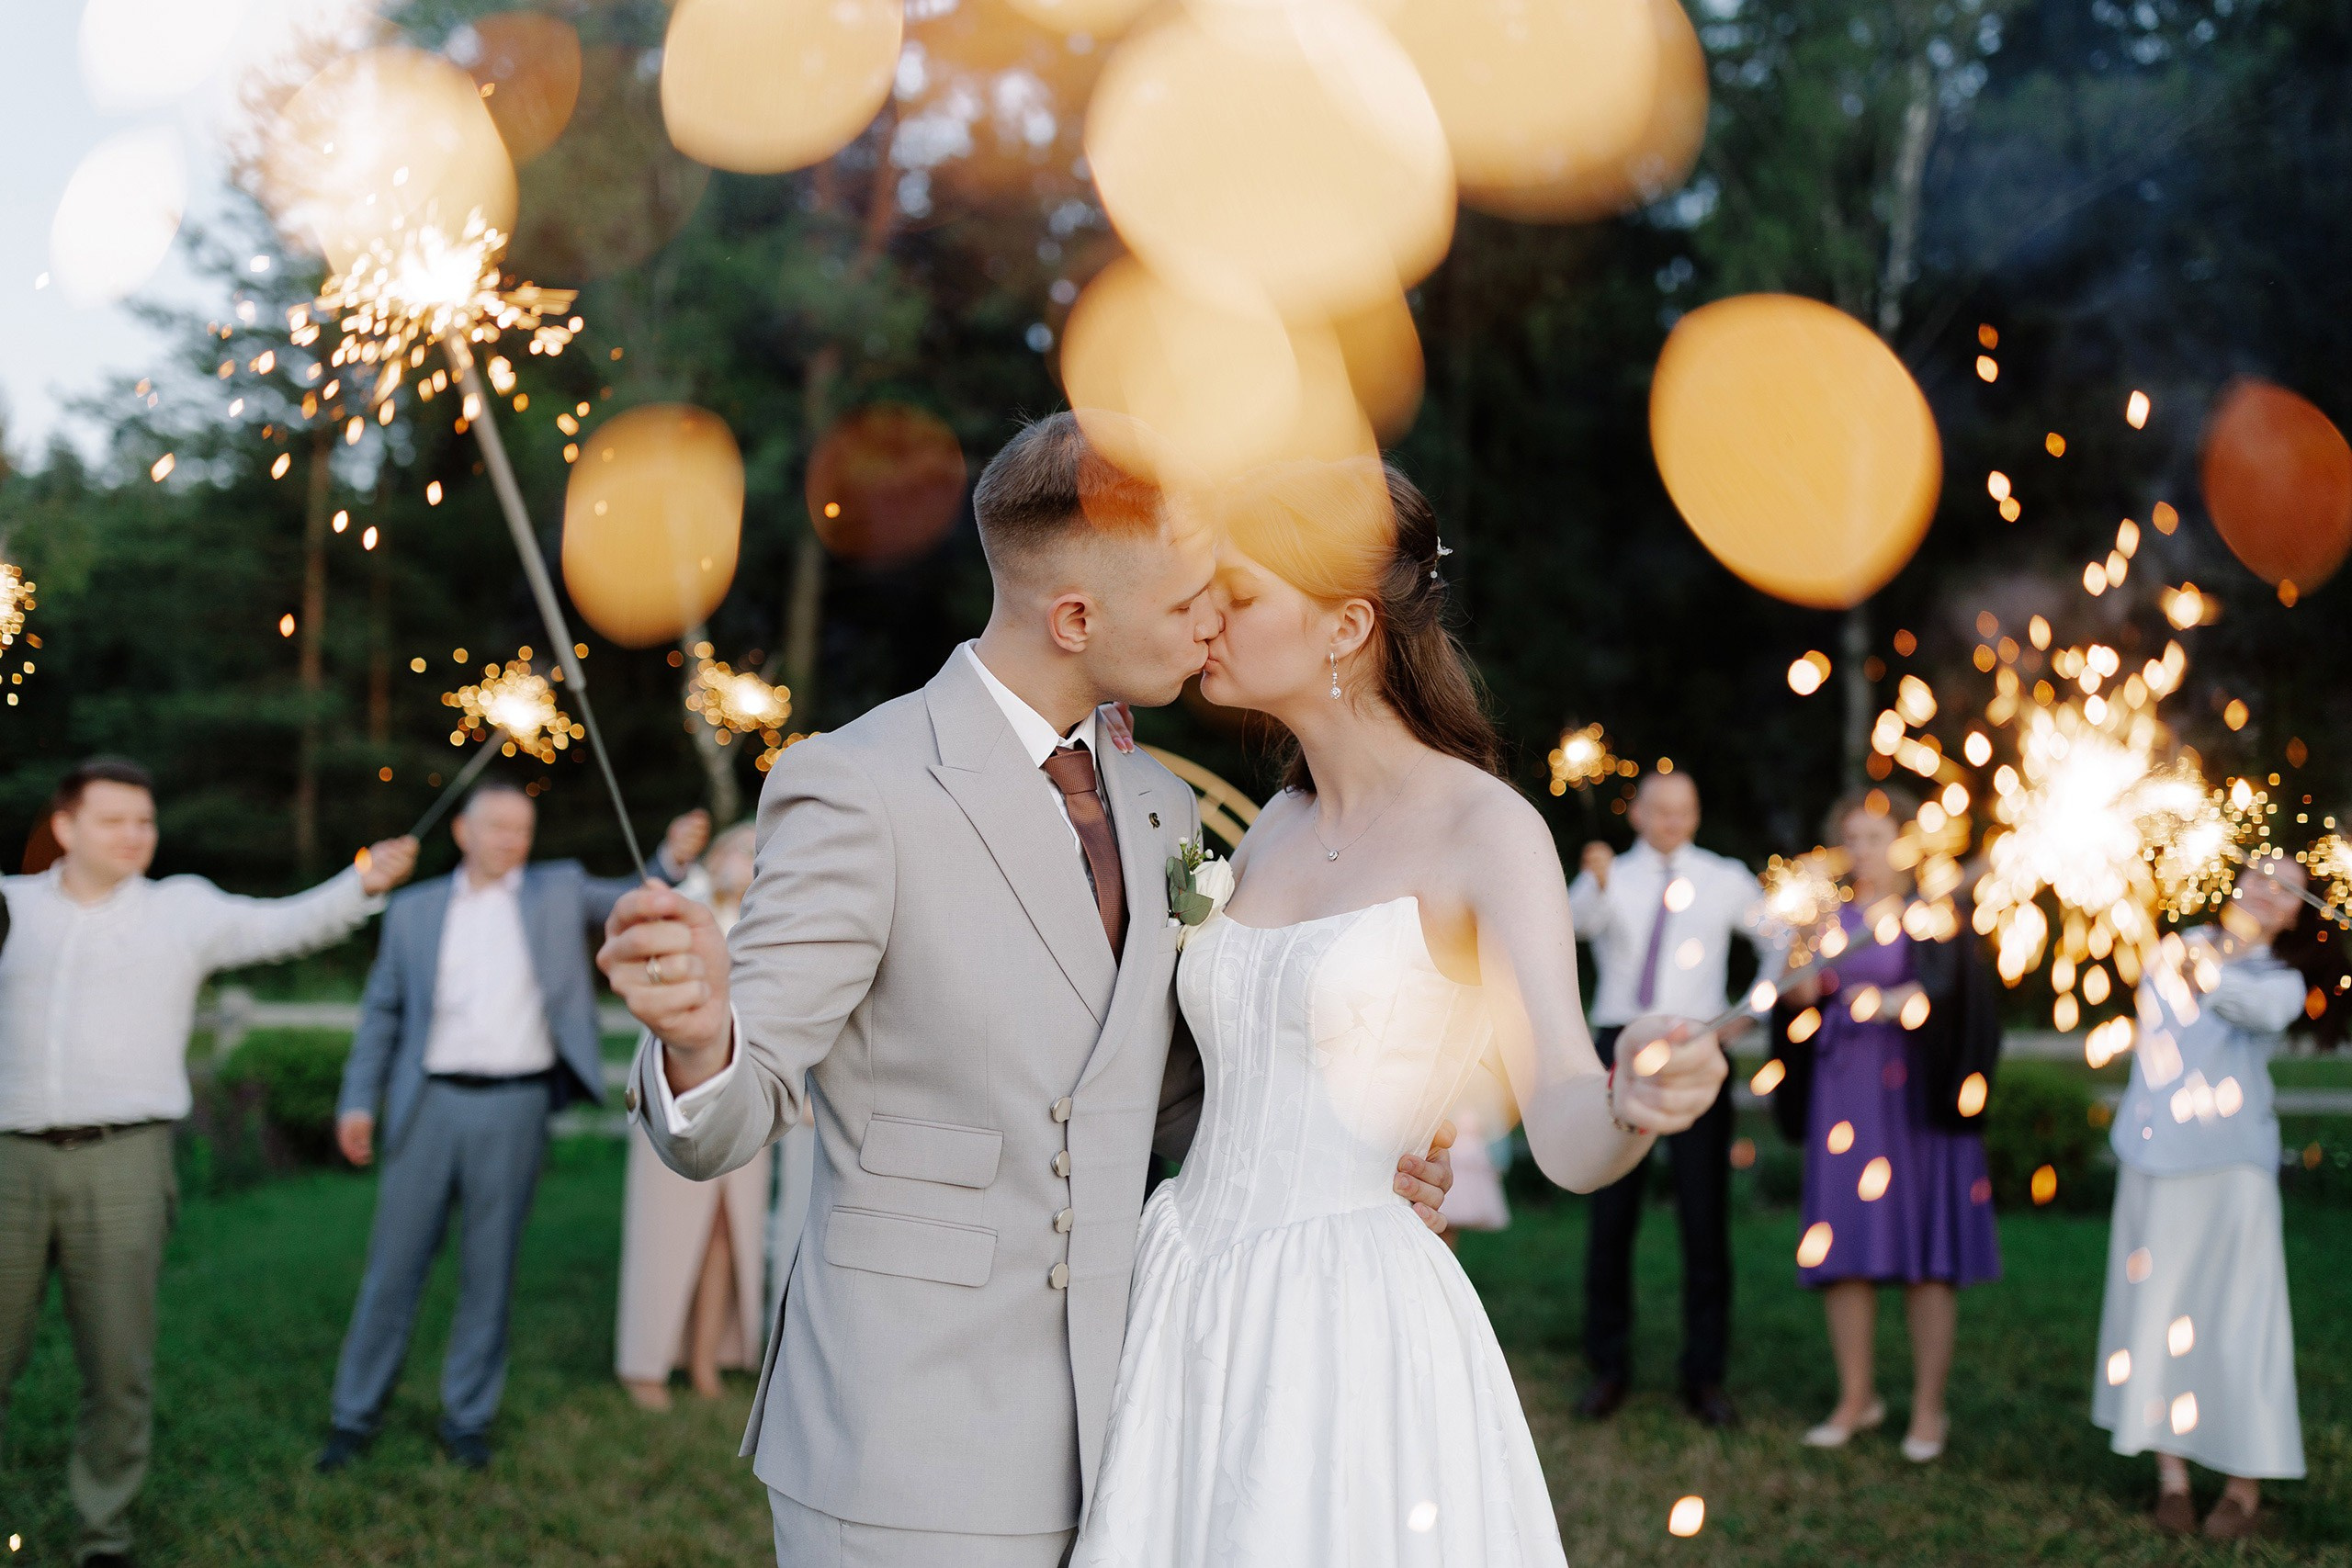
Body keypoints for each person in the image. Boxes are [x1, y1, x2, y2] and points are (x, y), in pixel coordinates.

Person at [597, 414, 1459, 1566]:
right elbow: (734, 1115)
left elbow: (1151, 1093)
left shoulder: (1161, 807)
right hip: (904, 1434)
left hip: (1130, 1420)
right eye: (1191, 597)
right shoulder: (858, 786)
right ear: (1075, 618)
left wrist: (1344, 1148)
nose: (1218, 619)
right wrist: (700, 1037)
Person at [1067, 457, 1724, 1563]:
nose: (1205, 617)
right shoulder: (1269, 822)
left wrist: (1632, 1098)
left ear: (1344, 627)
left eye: (1240, 592)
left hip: (1343, 1318)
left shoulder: (1486, 830)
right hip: (1183, 1285)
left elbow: (1563, 1118)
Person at [0, 757, 416, 1568]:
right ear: (65, 825)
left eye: (145, 821)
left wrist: (363, 881)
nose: (135, 835)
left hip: (125, 1159)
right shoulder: (10, 910)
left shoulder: (180, 910)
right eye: (115, 819)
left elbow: (288, 923)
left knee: (117, 1366)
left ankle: (103, 1533)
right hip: (8, 1162)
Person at [315, 784, 706, 1473]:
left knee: (490, 1271)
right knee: (392, 1269)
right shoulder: (412, 909)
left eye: (522, 828)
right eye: (497, 826)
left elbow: (629, 895)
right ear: (463, 830)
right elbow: (382, 1012)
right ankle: (353, 1415)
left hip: (517, 1107)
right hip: (427, 1104)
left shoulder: (559, 888)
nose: (511, 839)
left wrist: (669, 859)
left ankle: (467, 1417)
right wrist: (356, 1101)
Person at [2093, 853, 2309, 1540]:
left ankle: (2244, 1484)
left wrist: (2208, 974)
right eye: (2261, 877)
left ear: (2298, 911)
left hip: (2232, 1167)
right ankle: (2173, 1478)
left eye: (2288, 889)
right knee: (2160, 1310)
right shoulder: (2179, 945)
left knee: (2240, 1317)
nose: (2268, 892)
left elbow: (2247, 1009)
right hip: (2154, 1157)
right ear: (2238, 882)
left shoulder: (2285, 983)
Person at [1781, 788, 1999, 1462]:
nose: (1864, 851)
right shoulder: (1823, 918)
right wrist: (1802, 978)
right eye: (1854, 838)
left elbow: (1963, 995)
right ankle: (1857, 1397)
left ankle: (1929, 1410)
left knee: (1926, 1254)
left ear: (1905, 844)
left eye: (1877, 836)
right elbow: (1787, 1000)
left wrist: (1909, 999)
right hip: (1844, 1094)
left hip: (1917, 1095)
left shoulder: (1934, 914)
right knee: (1843, 1245)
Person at [1566, 769, 1766, 1427]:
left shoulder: (1726, 876)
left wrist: (1747, 1013)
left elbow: (1781, 938)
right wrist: (1593, 880)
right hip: (1620, 1044)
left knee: (1704, 1216)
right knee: (1612, 1212)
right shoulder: (1611, 871)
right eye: (1660, 809)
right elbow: (1572, 926)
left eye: (1683, 809)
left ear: (1696, 813)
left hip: (1695, 1045)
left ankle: (1705, 1374)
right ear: (1639, 813)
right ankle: (1608, 1365)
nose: (1671, 820)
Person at [615, 821, 776, 1410]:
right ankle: (645, 1364)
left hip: (749, 1090)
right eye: (744, 850)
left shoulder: (775, 918)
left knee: (726, 1234)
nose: (751, 862)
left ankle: (709, 1359)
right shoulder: (689, 901)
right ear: (721, 855)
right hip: (678, 1088)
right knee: (663, 1231)